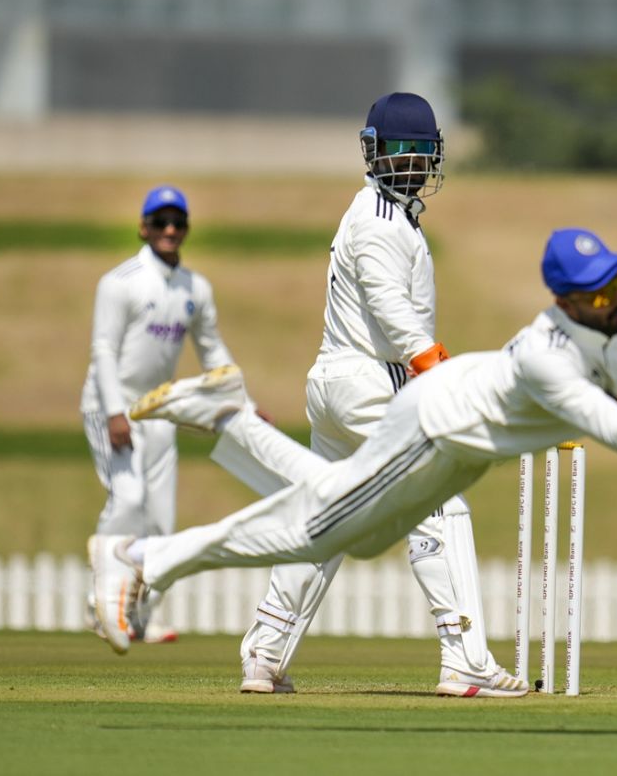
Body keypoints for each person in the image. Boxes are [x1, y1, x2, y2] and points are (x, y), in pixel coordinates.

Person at [88, 228, 617, 668]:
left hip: (463, 452)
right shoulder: (544, 354)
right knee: (310, 531)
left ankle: (231, 418)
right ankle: (143, 558)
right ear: (565, 304)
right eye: (600, 295)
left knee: (346, 527)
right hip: (433, 426)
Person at [197, 92, 526, 697]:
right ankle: (465, 657)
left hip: (339, 384)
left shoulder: (382, 213)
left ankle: (265, 652)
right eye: (401, 153)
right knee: (443, 504)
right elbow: (388, 303)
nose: (412, 165)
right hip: (371, 383)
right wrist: (434, 365)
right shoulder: (377, 220)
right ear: (375, 154)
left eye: (420, 153)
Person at [79, 185, 236, 643]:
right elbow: (103, 350)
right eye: (161, 221)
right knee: (128, 499)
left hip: (159, 412)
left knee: (161, 521)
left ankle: (140, 614)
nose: (170, 230)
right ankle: (100, 604)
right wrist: (113, 412)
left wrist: (241, 401)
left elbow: (212, 350)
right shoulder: (119, 282)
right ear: (143, 227)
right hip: (111, 407)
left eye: (178, 222)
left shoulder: (195, 288)